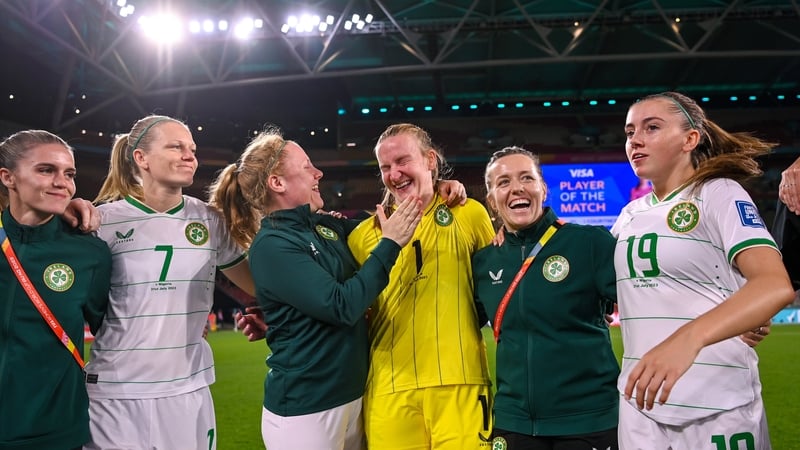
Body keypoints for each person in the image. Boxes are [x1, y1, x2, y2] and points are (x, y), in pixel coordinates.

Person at [207, 128, 423, 450]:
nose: (318, 173)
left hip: (355, 396)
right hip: (306, 410)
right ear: (277, 183)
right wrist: (391, 245)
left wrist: (437, 188)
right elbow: (341, 306)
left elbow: (381, 225)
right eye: (307, 166)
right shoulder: (272, 245)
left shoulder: (324, 225)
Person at [612, 91, 794, 449]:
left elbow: (774, 285)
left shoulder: (719, 193)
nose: (635, 140)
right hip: (641, 405)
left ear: (690, 139)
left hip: (719, 404)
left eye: (652, 127)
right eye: (630, 132)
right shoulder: (629, 215)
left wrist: (689, 338)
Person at [83, 115, 255, 450]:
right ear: (141, 158)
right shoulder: (101, 221)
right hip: (115, 393)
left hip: (186, 389)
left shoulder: (211, 220)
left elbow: (259, 287)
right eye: (176, 147)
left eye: (192, 149)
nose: (189, 156)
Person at [347, 123, 496, 449]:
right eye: (385, 167)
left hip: (461, 382)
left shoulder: (470, 214)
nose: (394, 174)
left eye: (402, 161)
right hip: (389, 389)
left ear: (430, 160)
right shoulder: (361, 237)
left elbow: (497, 289)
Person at [472, 146, 620, 450]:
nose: (517, 188)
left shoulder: (589, 243)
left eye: (527, 178)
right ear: (492, 201)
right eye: (503, 182)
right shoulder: (484, 262)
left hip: (587, 420)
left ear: (543, 188)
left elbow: (646, 302)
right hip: (513, 422)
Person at [0, 130, 111, 450]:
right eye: (46, 170)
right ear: (8, 177)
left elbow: (112, 331)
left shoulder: (89, 253)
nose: (62, 182)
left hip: (56, 431)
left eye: (69, 174)